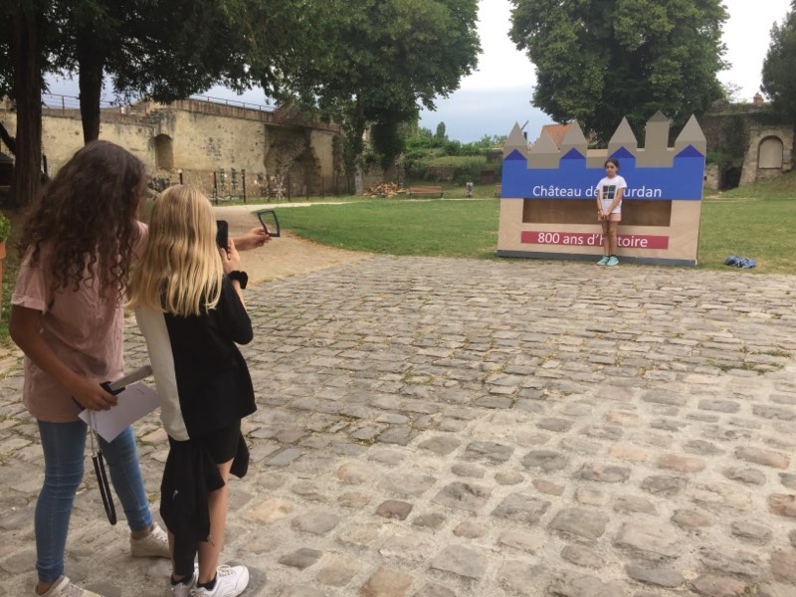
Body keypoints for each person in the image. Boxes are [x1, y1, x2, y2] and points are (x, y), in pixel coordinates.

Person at [9, 141, 268, 597]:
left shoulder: (125, 235)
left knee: (124, 455)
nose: (137, 203)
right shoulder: (46, 251)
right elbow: (22, 329)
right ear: (101, 195)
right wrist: (74, 383)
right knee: (64, 477)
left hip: (109, 378)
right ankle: (49, 579)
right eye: (131, 193)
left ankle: (142, 533)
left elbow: (183, 243)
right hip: (60, 384)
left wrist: (240, 246)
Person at [127, 185, 256, 597]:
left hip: (177, 405)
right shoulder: (211, 284)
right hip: (217, 403)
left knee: (185, 486)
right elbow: (243, 331)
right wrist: (235, 274)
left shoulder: (147, 283)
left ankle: (182, 574)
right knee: (215, 489)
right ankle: (208, 582)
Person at [595, 158, 627, 266]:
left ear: (616, 168)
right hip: (603, 212)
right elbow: (598, 197)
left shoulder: (620, 180)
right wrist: (601, 210)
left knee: (612, 232)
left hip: (614, 211)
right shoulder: (602, 181)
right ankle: (606, 256)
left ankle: (613, 256)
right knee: (605, 233)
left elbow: (618, 197)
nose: (609, 169)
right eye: (607, 167)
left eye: (612, 167)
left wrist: (609, 211)